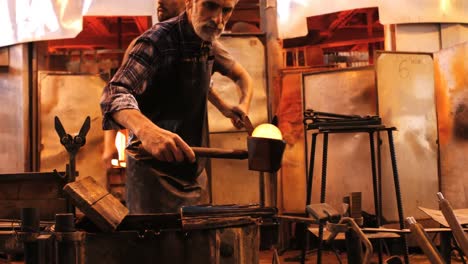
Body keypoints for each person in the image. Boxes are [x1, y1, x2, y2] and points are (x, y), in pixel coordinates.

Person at [100, 0, 251, 213]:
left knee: (198, 242)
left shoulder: (205, 40)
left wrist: (225, 107)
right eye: (210, 6)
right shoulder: (156, 41)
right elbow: (114, 93)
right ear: (190, 2)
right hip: (152, 174)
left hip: (193, 170)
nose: (218, 20)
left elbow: (196, 83)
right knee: (156, 244)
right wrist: (147, 130)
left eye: (226, 10)